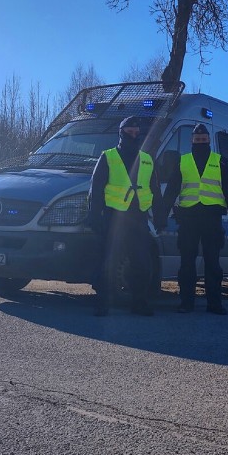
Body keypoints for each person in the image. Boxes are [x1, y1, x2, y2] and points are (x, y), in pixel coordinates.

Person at [158, 123, 228, 315]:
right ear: (192, 141)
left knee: (213, 264)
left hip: (212, 219)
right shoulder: (183, 161)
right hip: (189, 220)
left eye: (203, 140)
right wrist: (161, 216)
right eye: (197, 140)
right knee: (187, 263)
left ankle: (215, 304)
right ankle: (186, 303)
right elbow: (171, 191)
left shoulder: (220, 161)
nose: (200, 142)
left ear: (209, 140)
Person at [87, 116, 161, 316]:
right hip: (114, 218)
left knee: (142, 264)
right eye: (129, 132)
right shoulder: (108, 156)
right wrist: (94, 216)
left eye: (136, 133)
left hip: (138, 218)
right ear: (121, 133)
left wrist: (160, 217)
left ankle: (139, 302)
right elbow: (96, 189)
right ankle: (102, 301)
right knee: (107, 262)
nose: (133, 135)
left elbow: (154, 189)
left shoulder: (147, 159)